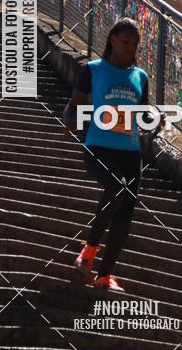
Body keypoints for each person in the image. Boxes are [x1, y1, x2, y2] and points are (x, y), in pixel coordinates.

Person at [63, 18, 158, 291]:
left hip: (130, 151)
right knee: (116, 185)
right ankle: (89, 250)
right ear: (112, 39)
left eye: (134, 44)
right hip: (98, 146)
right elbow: (72, 106)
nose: (129, 48)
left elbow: (143, 114)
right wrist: (69, 120)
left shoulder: (140, 76)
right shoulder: (93, 70)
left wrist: (155, 120)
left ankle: (105, 276)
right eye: (125, 41)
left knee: (125, 216)